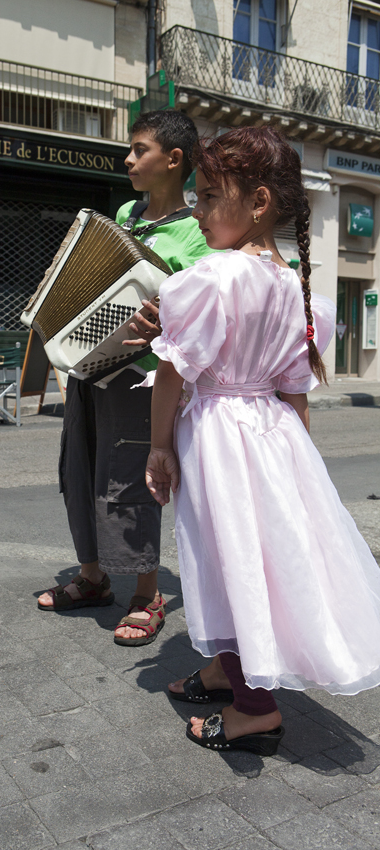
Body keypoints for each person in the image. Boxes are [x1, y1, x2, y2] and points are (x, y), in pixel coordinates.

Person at [145, 126, 380, 754]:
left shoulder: (212, 277)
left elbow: (173, 373)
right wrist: (295, 464)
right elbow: (295, 390)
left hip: (221, 434)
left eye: (207, 196)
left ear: (258, 202)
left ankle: (255, 709)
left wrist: (159, 446)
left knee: (229, 559)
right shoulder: (296, 289)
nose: (196, 210)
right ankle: (228, 666)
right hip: (272, 437)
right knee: (252, 554)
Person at [37, 110, 213, 645]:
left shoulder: (199, 233)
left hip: (143, 377)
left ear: (174, 160)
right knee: (81, 468)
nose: (128, 159)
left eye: (140, 150)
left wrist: (165, 316)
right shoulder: (125, 213)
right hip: (93, 367)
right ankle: (92, 578)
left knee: (131, 476)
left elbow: (200, 312)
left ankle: (146, 594)